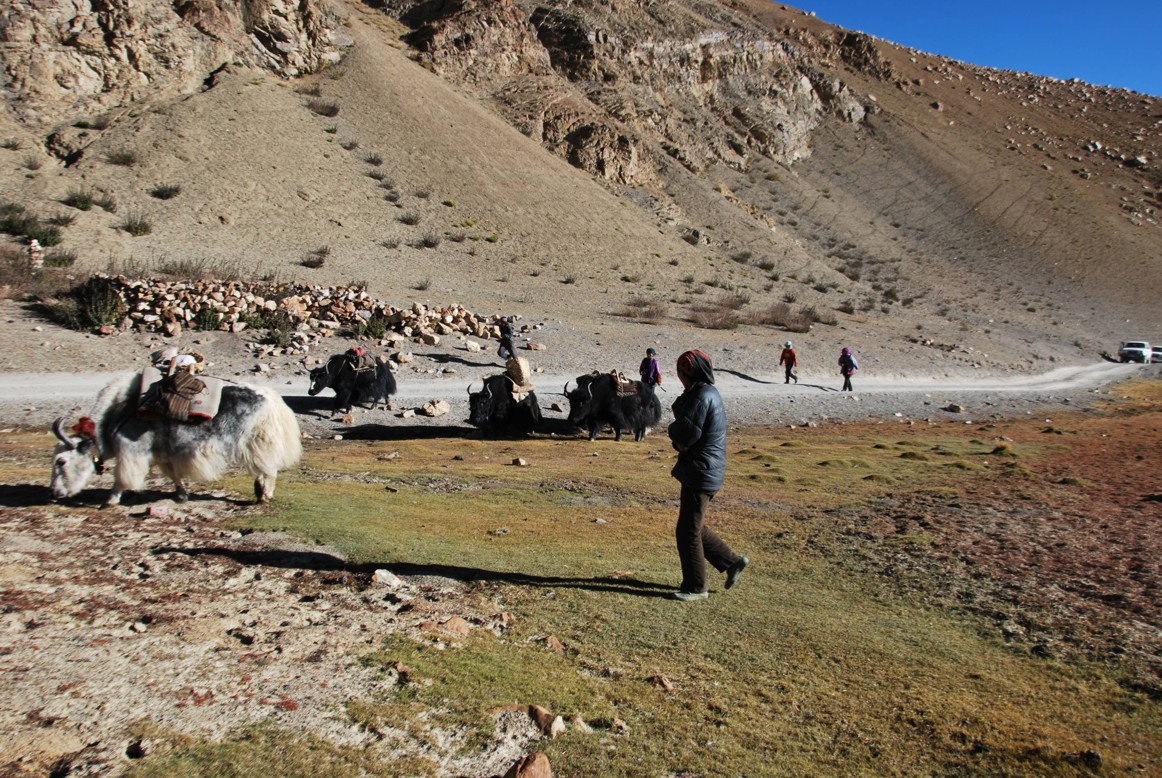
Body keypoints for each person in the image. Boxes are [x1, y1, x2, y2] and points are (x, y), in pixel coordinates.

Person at [667, 349, 748, 601]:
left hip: (700, 471)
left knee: (687, 530)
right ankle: (731, 561)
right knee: (694, 524)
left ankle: (696, 587)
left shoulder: (700, 396)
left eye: (680, 370)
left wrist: (675, 435)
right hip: (705, 469)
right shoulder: (705, 392)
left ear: (685, 372)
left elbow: (684, 434)